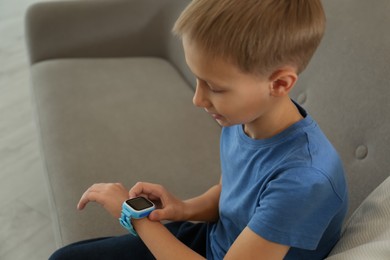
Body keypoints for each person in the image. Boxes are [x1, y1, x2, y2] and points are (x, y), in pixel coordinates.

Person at [50, 0, 348, 259]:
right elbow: (228, 195)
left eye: (215, 87)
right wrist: (183, 209)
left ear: (280, 84)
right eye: (197, 79)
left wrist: (136, 219)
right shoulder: (242, 118)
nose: (198, 99)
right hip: (208, 241)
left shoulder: (304, 181)